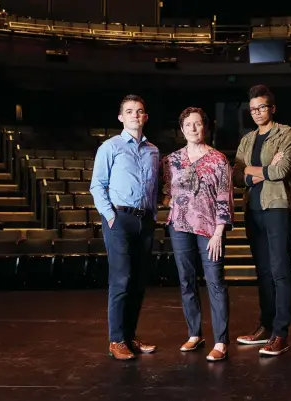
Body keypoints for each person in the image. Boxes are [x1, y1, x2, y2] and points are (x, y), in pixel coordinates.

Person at [90, 94, 159, 360]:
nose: (134, 115)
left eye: (139, 111)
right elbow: (97, 185)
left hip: (145, 219)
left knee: (139, 281)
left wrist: (154, 212)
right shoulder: (110, 147)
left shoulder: (153, 150)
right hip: (119, 219)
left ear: (145, 117)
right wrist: (109, 216)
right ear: (121, 117)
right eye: (129, 111)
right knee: (121, 279)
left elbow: (155, 186)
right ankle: (116, 340)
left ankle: (130, 335)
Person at [162, 107, 233, 362]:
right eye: (188, 124)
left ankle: (221, 341)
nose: (193, 128)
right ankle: (194, 334)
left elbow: (224, 197)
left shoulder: (219, 160)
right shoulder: (170, 160)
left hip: (210, 229)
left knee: (215, 281)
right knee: (186, 282)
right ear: (181, 129)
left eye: (198, 124)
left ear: (205, 127)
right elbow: (164, 190)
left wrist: (219, 232)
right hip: (180, 227)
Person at [232, 85, 291, 356]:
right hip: (253, 209)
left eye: (262, 107)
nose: (258, 112)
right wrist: (262, 172)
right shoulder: (247, 139)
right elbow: (235, 176)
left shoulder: (286, 132)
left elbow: (282, 170)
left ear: (272, 108)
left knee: (280, 271)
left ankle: (281, 333)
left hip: (276, 207)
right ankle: (266, 327)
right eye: (253, 108)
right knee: (264, 272)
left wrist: (253, 171)